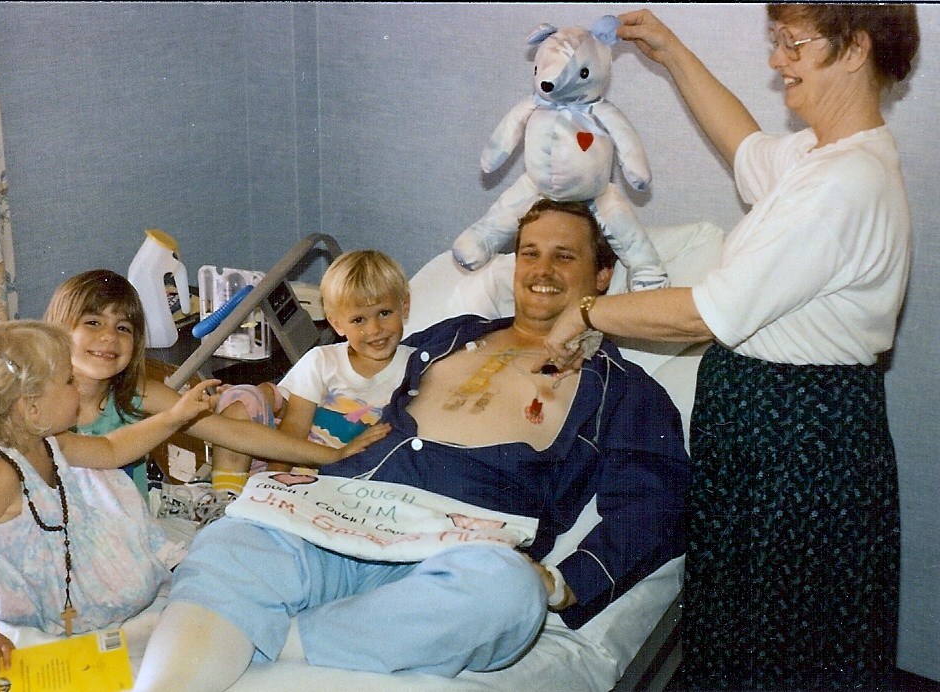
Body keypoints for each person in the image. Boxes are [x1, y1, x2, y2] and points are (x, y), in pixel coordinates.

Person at [132, 198, 690, 691]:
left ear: (602, 275)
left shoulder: (624, 390)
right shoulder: (448, 336)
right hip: (342, 511)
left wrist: (568, 584)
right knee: (233, 540)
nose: (541, 270)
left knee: (509, 595)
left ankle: (280, 638)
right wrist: (272, 398)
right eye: (529, 253)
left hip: (455, 550)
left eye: (563, 256)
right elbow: (347, 379)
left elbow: (654, 505)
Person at [537, 6, 918, 689]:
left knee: (782, 649)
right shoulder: (823, 158)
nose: (777, 61)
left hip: (798, 453)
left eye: (794, 44)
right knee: (748, 634)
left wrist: (587, 311)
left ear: (856, 48)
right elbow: (744, 144)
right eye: (777, 41)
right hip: (768, 442)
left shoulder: (846, 183)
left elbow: (703, 313)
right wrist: (670, 50)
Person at [0, 320, 218, 674]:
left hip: (72, 575)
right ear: (31, 408)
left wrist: (174, 417)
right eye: (69, 381)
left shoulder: (48, 441)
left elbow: (112, 449)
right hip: (40, 599)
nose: (79, 388)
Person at [43, 270, 388, 502]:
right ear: (58, 330)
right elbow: (105, 451)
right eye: (92, 322)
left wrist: (334, 454)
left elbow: (235, 433)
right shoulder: (39, 408)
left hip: (126, 532)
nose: (109, 337)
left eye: (123, 328)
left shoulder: (138, 394)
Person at [209, 249, 414, 492]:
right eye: (358, 320)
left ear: (404, 307)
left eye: (384, 313)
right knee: (242, 399)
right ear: (337, 323)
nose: (375, 329)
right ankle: (226, 494)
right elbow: (293, 433)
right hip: (299, 473)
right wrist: (270, 488)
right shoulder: (322, 362)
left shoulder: (419, 366)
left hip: (359, 483)